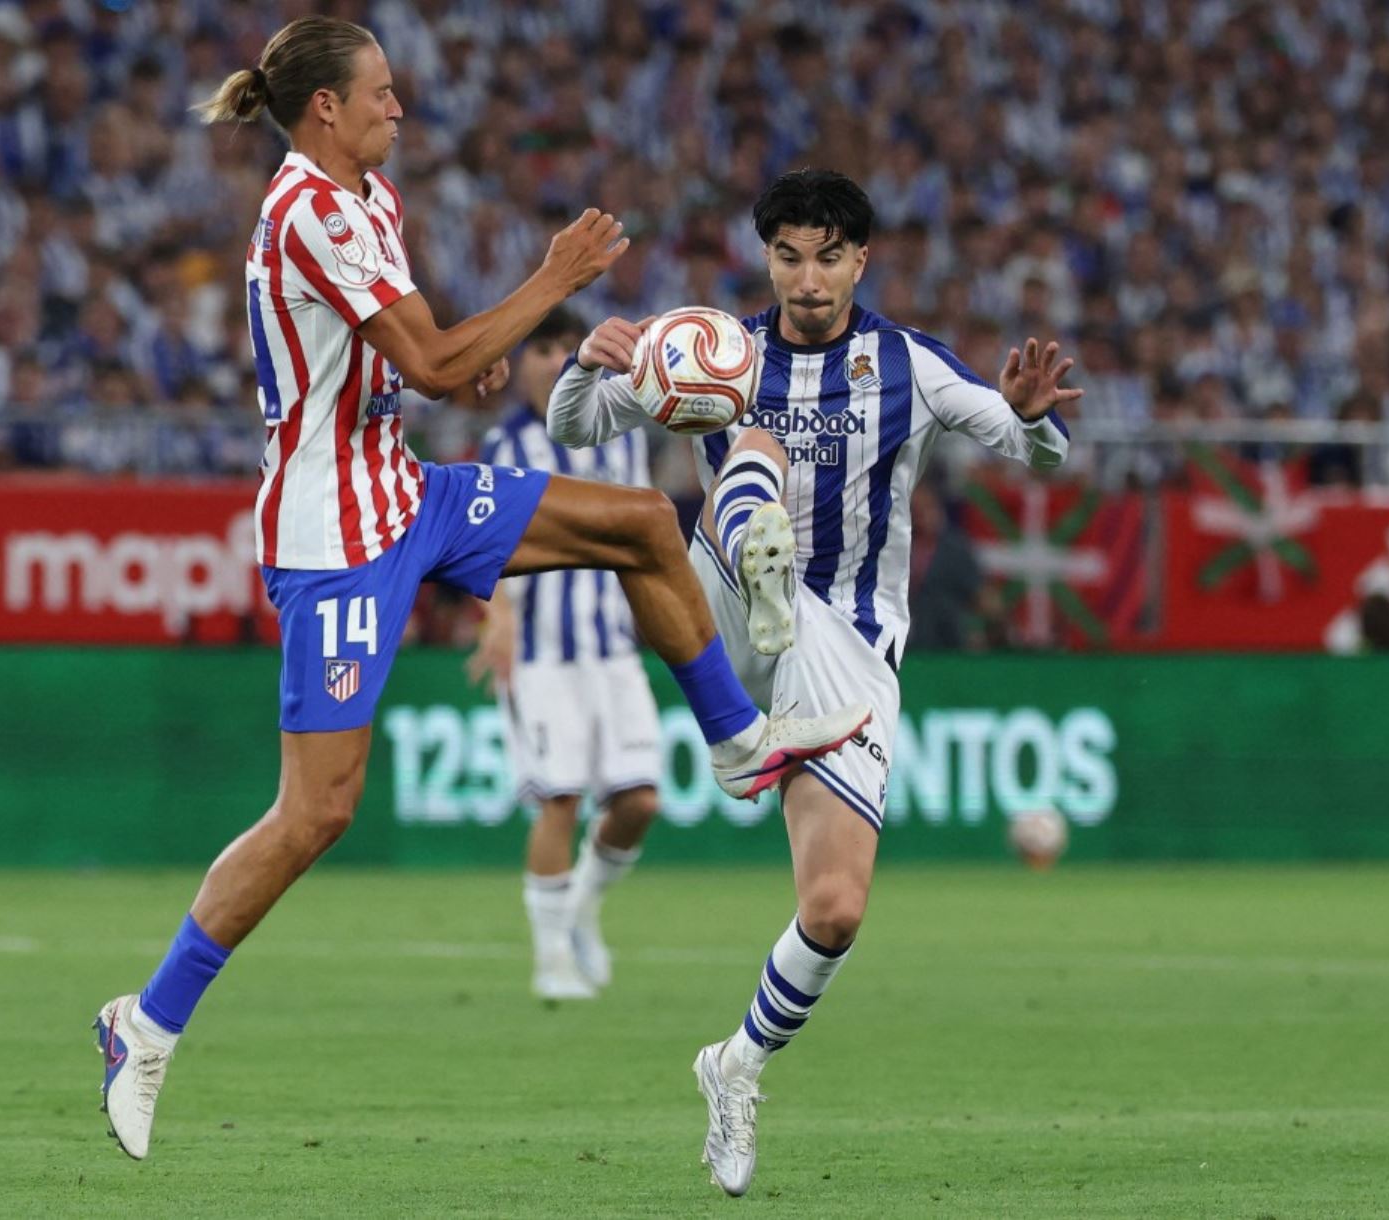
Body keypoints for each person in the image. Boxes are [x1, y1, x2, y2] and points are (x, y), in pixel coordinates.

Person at [92, 20, 869, 1162]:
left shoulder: (367, 200)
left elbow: (422, 361)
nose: (399, 108)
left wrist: (477, 351)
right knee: (316, 812)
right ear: (324, 110)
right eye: (382, 93)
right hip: (333, 538)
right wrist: (547, 284)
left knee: (645, 523)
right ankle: (145, 1022)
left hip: (407, 492)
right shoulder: (307, 209)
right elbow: (432, 362)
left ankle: (739, 739)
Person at [548, 169, 1078, 1196]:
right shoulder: (716, 352)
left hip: (851, 645)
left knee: (834, 908)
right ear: (767, 258)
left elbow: (1031, 449)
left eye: (828, 254)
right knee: (748, 444)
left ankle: (736, 1063)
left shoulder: (908, 365)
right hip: (733, 603)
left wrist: (1035, 418)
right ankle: (761, 580)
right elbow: (577, 425)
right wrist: (582, 358)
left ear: (861, 260)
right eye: (789, 254)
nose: (809, 276)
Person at [466, 307, 662, 1001]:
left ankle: (581, 906)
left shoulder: (622, 436)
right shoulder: (505, 446)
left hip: (614, 648)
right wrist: (495, 620)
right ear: (521, 365)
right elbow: (482, 547)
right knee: (561, 799)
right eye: (541, 349)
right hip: (543, 652)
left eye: (564, 349)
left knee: (640, 799)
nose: (553, 361)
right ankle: (551, 959)